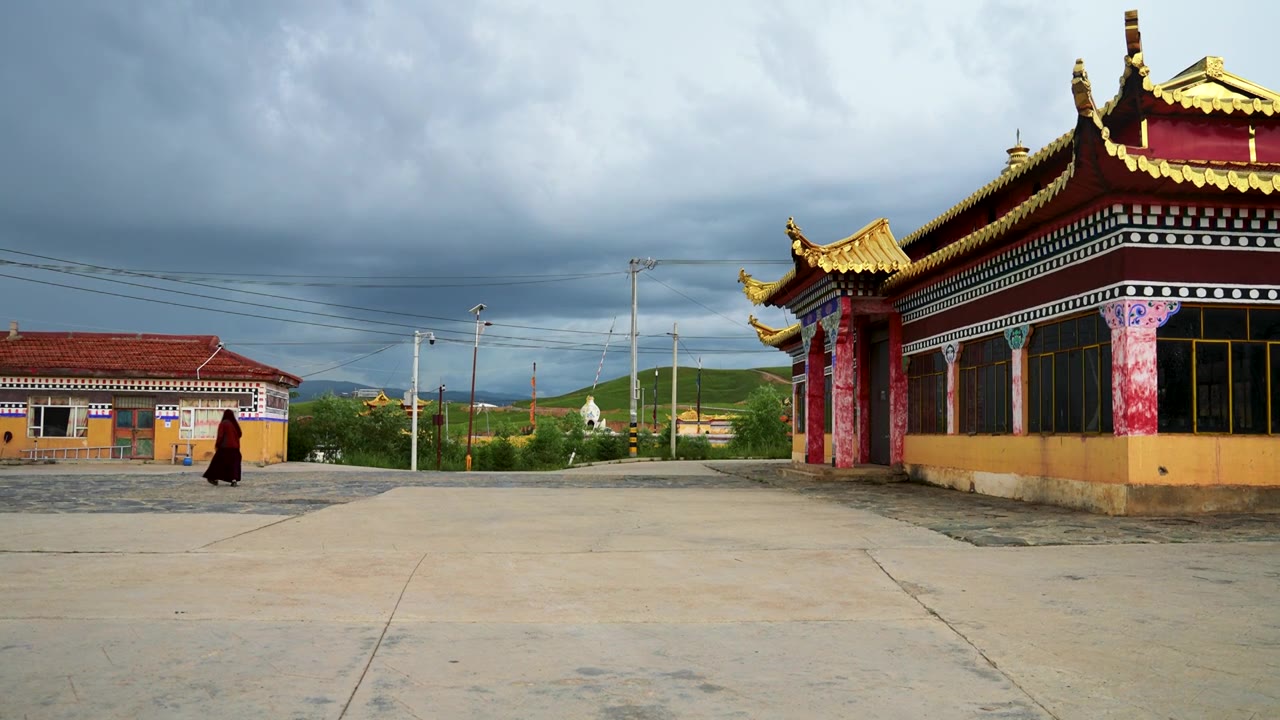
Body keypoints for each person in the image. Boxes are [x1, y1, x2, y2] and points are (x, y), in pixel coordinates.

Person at [203, 409, 242, 487]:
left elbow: (220, 435)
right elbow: (240, 434)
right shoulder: (234, 424)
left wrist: (217, 445)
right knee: (233, 465)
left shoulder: (224, 423)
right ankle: (234, 480)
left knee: (217, 463)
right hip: (235, 449)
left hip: (224, 448)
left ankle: (214, 478)